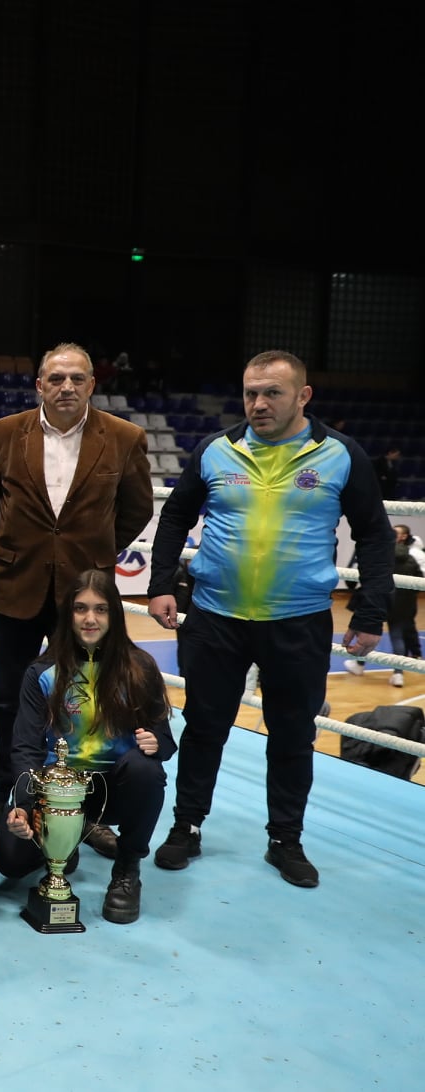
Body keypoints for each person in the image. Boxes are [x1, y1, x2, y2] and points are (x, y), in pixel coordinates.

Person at [149, 351, 393, 888]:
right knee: (204, 728)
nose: (258, 404)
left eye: (272, 393)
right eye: (250, 393)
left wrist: (370, 609)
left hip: (299, 620)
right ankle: (186, 825)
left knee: (291, 734)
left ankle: (286, 838)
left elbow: (374, 534)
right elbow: (175, 515)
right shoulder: (218, 449)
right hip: (215, 616)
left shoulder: (340, 455)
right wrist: (160, 584)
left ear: (303, 396)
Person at [0, 342, 152, 821]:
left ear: (92, 384)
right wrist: (17, 549)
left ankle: (88, 807)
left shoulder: (125, 437)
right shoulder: (1, 434)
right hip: (17, 585)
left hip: (87, 594)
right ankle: (6, 793)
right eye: (56, 378)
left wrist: (92, 557)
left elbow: (136, 509)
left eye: (76, 379)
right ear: (39, 385)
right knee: (6, 696)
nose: (66, 387)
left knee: (90, 700)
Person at [0, 570, 175, 924]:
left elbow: (164, 737)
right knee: (10, 862)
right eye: (80, 609)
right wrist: (25, 806)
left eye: (101, 609)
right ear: (68, 614)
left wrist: (157, 743)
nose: (90, 618)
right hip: (56, 791)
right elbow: (26, 748)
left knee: (146, 769)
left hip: (116, 790)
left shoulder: (140, 667)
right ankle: (65, 843)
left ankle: (127, 870)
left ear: (114, 616)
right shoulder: (42, 672)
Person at [387, 525, 424, 687]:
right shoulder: (412, 555)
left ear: (404, 536)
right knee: (399, 633)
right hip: (405, 602)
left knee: (365, 629)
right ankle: (399, 672)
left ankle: (359, 664)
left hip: (383, 600)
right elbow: (419, 578)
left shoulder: (384, 553)